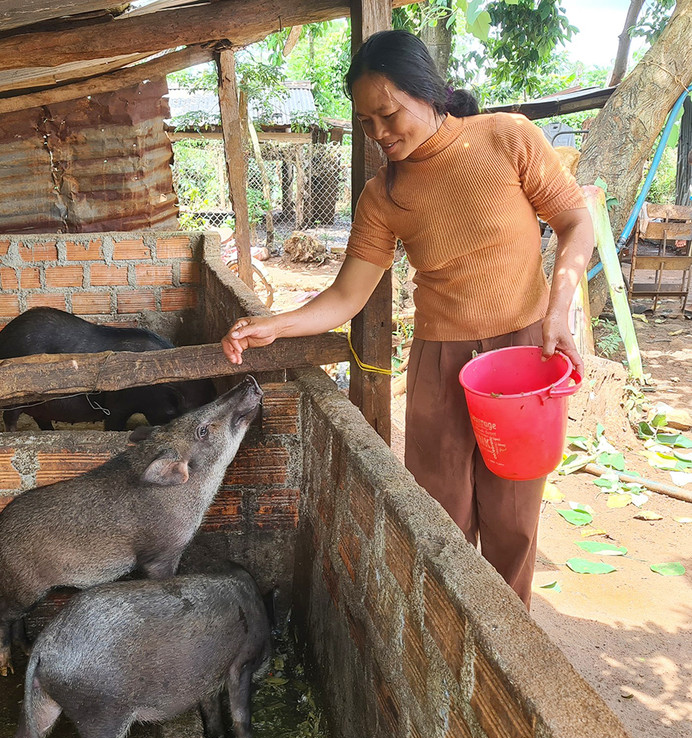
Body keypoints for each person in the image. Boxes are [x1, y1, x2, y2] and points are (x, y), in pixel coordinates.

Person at [221, 30, 594, 609]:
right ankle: (444, 636)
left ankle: (509, 640)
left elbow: (576, 222)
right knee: (438, 520)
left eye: (388, 114)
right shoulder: (382, 195)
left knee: (513, 520)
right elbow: (346, 296)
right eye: (367, 123)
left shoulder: (508, 137)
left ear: (428, 91)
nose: (379, 134)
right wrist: (276, 324)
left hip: (523, 355)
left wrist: (560, 307)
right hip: (439, 364)